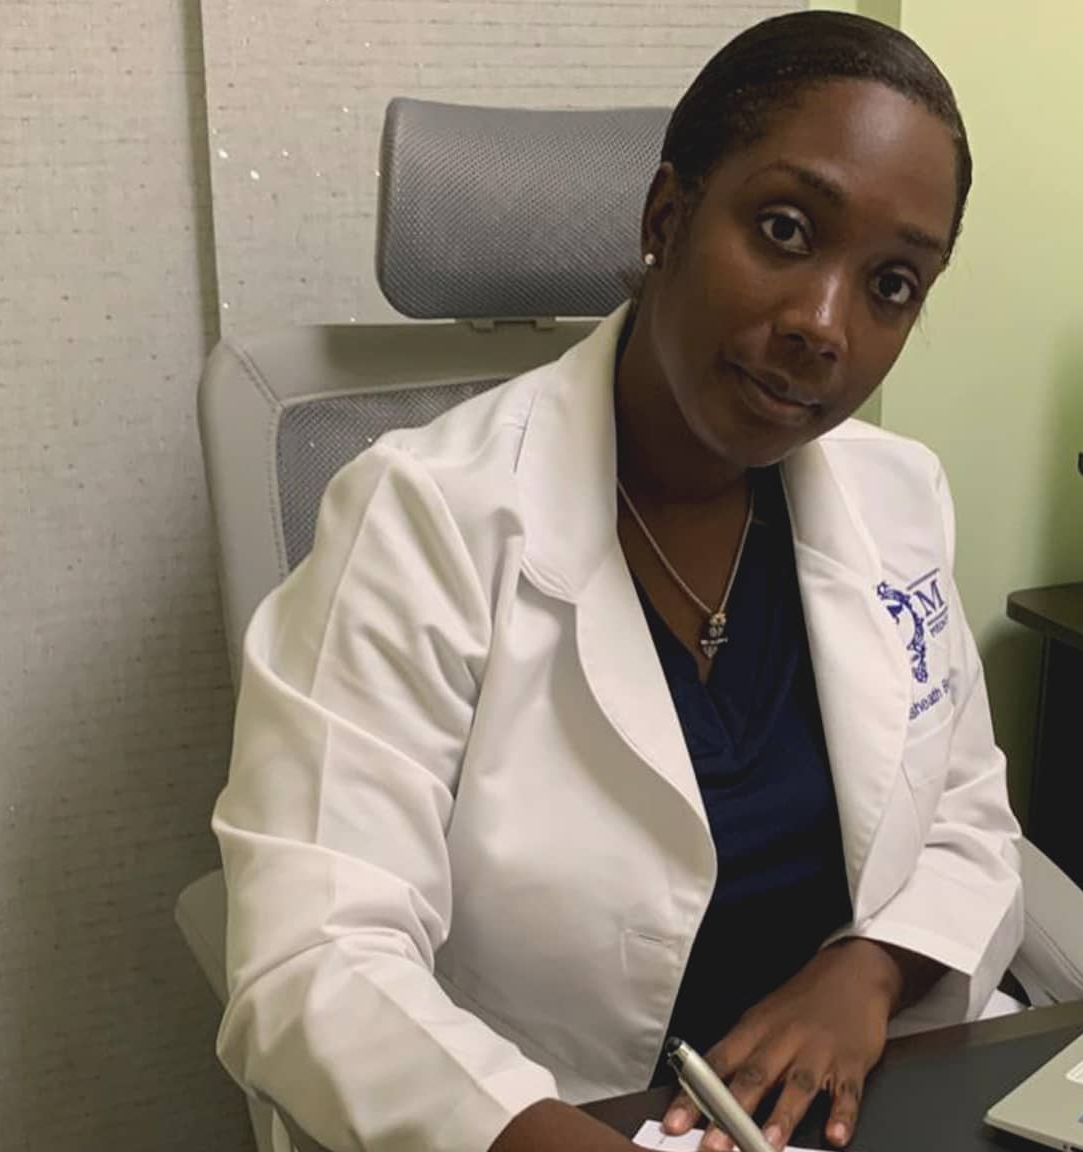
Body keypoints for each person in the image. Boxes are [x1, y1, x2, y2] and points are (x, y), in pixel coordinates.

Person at [212, 12, 1022, 1152]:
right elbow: (316, 957)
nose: (825, 326)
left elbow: (968, 825)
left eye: (892, 284)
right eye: (785, 230)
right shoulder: (423, 519)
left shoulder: (899, 500)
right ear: (666, 218)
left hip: (870, 1101)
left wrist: (868, 973)